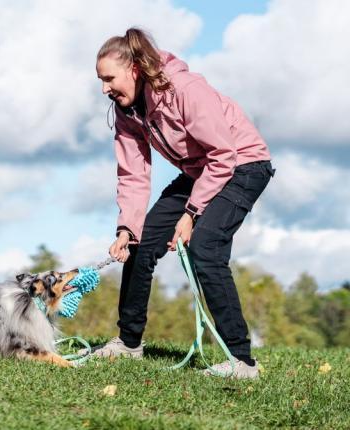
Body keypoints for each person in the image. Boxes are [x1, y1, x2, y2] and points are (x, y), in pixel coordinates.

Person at [92, 28, 275, 379]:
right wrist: (127, 227)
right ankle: (129, 344)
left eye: (108, 78)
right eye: (100, 81)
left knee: (205, 247)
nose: (104, 89)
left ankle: (242, 361)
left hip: (243, 164)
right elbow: (133, 174)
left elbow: (224, 154)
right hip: (201, 170)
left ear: (133, 69)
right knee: (140, 243)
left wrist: (191, 213)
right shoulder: (126, 111)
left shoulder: (185, 90)